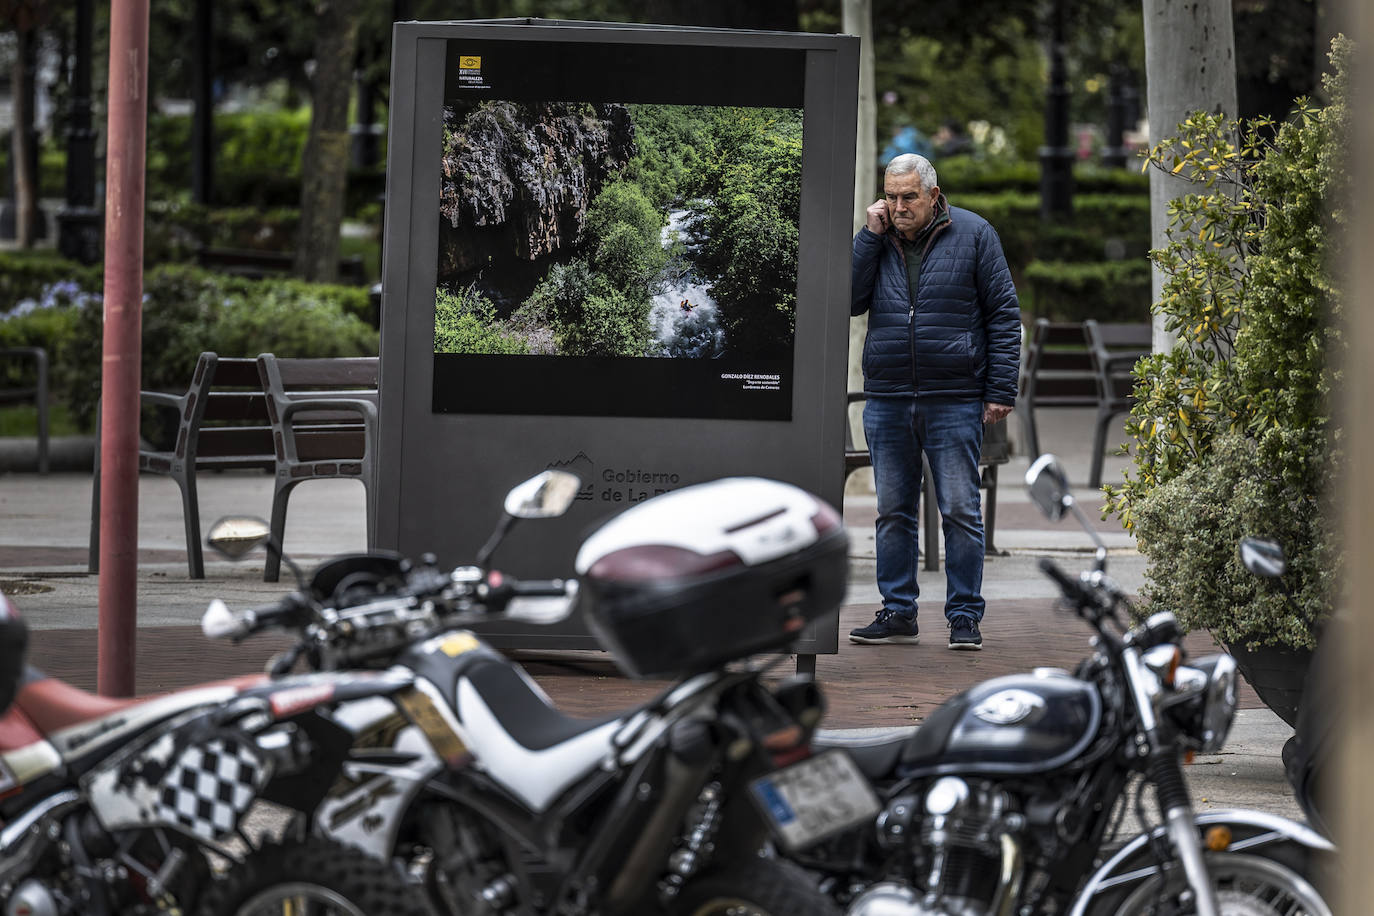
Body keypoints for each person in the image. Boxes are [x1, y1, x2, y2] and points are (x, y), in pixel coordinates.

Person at [849, 153, 1020, 650]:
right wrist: (867, 237)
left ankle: (964, 615)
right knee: (893, 512)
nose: (899, 206)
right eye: (891, 196)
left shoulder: (974, 234)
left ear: (933, 195)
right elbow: (849, 300)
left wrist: (1000, 391)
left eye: (909, 197)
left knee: (961, 511)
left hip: (956, 398)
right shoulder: (877, 240)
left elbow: (1004, 317)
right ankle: (898, 612)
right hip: (889, 397)